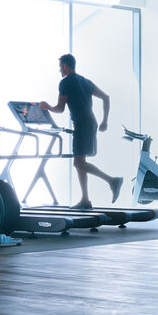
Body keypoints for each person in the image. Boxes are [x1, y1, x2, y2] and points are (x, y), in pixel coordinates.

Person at [40, 54, 123, 208]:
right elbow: (106, 97)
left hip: (82, 124)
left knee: (78, 162)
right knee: (80, 162)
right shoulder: (85, 81)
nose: (59, 70)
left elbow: (60, 109)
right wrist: (105, 121)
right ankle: (85, 199)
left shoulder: (65, 82)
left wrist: (47, 107)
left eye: (60, 67)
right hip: (90, 122)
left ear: (65, 65)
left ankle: (113, 181)